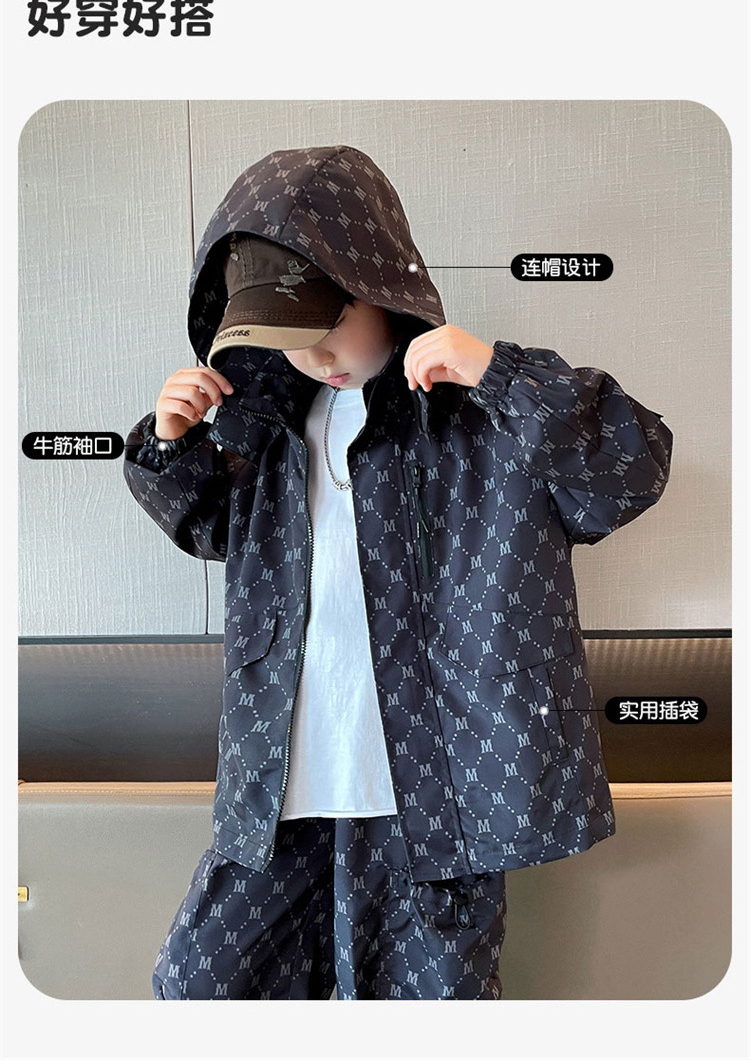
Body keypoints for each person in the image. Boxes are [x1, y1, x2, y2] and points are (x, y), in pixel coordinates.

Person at [123, 144, 673, 1000]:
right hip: (279, 790)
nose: (317, 356)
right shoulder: (262, 427)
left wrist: (499, 373)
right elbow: (204, 526)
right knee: (203, 985)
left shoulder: (478, 413)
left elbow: (631, 470)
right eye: (287, 337)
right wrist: (171, 444)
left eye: (328, 323)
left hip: (436, 795)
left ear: (378, 283)